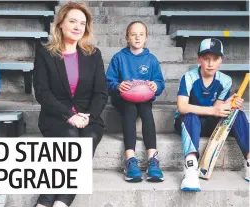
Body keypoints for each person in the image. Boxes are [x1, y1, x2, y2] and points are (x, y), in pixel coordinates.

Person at [33, 2, 108, 207]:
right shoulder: (45, 53)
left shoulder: (93, 54)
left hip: (88, 118)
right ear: (60, 24)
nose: (77, 27)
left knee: (89, 137)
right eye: (73, 21)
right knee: (71, 136)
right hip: (56, 117)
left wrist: (88, 116)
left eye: (82, 23)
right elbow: (42, 93)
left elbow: (101, 93)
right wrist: (69, 115)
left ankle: (55, 202)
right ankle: (53, 200)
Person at [175, 38, 249, 192]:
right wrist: (214, 111)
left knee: (238, 114)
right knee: (190, 116)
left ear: (221, 60)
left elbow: (217, 108)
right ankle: (190, 169)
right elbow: (182, 107)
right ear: (199, 59)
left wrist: (228, 104)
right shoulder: (189, 77)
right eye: (206, 59)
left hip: (208, 123)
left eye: (215, 59)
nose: (210, 63)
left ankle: (249, 161)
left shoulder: (225, 80)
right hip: (186, 123)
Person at [106, 21, 165, 183]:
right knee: (130, 108)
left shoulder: (151, 60)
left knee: (146, 110)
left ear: (146, 38)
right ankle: (130, 160)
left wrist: (155, 85)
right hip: (123, 99)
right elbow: (108, 81)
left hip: (144, 99)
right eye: (133, 34)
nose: (137, 37)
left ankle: (152, 160)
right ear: (127, 38)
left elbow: (160, 83)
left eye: (141, 34)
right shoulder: (119, 58)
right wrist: (118, 86)